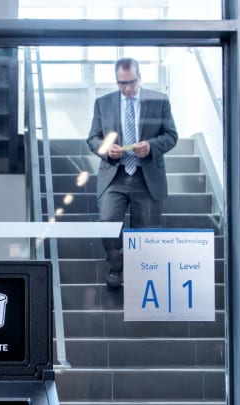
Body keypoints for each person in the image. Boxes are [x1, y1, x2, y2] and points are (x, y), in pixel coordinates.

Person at [87, 57, 178, 288]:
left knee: (144, 230)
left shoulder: (159, 101)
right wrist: (107, 149)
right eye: (121, 83)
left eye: (130, 82)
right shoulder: (103, 103)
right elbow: (93, 138)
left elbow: (171, 136)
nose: (126, 88)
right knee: (107, 222)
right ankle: (116, 267)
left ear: (139, 78)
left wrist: (151, 147)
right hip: (114, 176)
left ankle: (139, 273)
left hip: (146, 176)